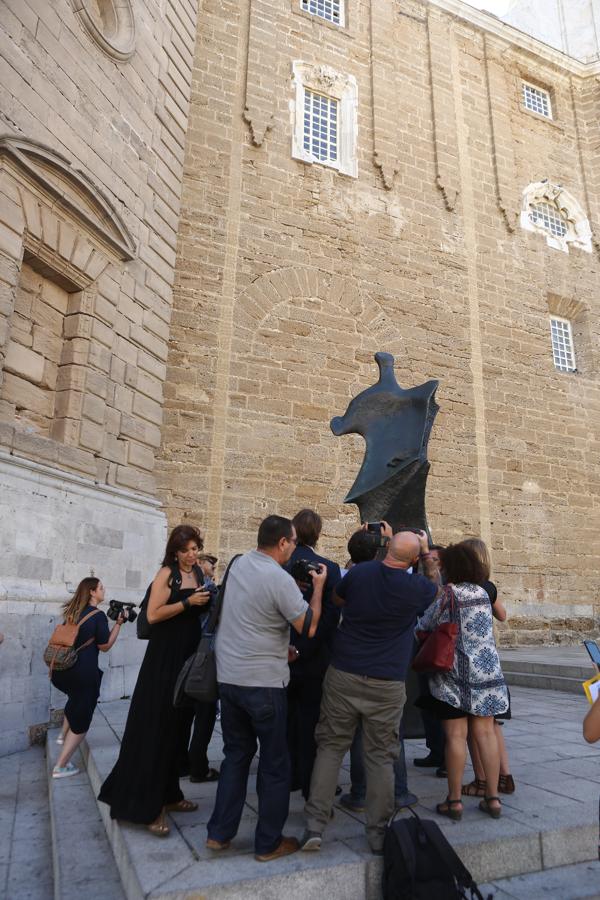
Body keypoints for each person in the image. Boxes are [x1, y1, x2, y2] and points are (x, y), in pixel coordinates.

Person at [302, 530, 439, 855]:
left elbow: (339, 599)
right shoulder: (417, 587)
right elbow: (435, 591)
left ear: (386, 548)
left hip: (345, 673)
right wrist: (427, 558)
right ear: (415, 558)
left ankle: (314, 826)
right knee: (380, 757)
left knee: (331, 748)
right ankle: (377, 834)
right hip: (387, 682)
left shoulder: (361, 572)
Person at [206, 515, 326, 863]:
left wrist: (278, 647)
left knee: (235, 756)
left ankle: (219, 833)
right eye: (291, 542)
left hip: (230, 678)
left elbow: (253, 615)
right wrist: (317, 589)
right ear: (284, 543)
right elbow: (309, 626)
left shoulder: (240, 564)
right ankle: (268, 842)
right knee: (275, 764)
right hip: (263, 684)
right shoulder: (279, 578)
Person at [99, 525, 210, 836]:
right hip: (164, 659)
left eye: (195, 548)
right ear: (175, 551)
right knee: (158, 727)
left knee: (177, 728)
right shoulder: (167, 574)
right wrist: (189, 603)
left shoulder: (198, 574)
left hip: (187, 657)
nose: (192, 554)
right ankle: (150, 806)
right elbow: (154, 614)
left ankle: (171, 794)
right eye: (186, 549)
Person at [415, 540, 509, 822]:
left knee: (456, 737)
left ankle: (454, 802)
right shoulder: (484, 592)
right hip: (487, 672)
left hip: (453, 676)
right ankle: (492, 798)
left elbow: (425, 625)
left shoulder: (448, 594)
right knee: (486, 734)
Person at [338, 524, 420, 813]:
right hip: (387, 673)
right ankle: (396, 793)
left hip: (350, 669)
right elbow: (410, 571)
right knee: (389, 737)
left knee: (358, 736)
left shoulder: (350, 576)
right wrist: (395, 538)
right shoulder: (405, 581)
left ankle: (360, 793)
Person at [286, 508, 342, 799]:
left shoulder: (280, 564)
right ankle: (310, 786)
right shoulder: (328, 567)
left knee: (284, 722)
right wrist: (305, 648)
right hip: (314, 658)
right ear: (318, 533)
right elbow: (330, 617)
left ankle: (287, 777)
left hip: (280, 655)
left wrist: (288, 647)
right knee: (311, 724)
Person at [459, 538, 515, 798]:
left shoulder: (461, 589)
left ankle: (482, 782)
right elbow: (502, 615)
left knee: (475, 729)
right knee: (493, 726)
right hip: (491, 662)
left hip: (470, 664)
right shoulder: (488, 587)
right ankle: (505, 776)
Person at [52, 577, 123, 777]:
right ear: (92, 592)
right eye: (101, 587)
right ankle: (61, 766)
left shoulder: (73, 612)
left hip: (61, 672)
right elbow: (105, 646)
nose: (104, 590)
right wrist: (118, 624)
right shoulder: (98, 616)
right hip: (84, 674)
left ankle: (61, 735)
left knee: (75, 701)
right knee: (82, 720)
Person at [182, 552, 221, 784]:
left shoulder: (186, 589)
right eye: (210, 566)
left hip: (186, 653)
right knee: (204, 714)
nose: (212, 571)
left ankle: (184, 763)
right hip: (204, 655)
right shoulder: (208, 590)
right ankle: (198, 767)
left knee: (187, 714)